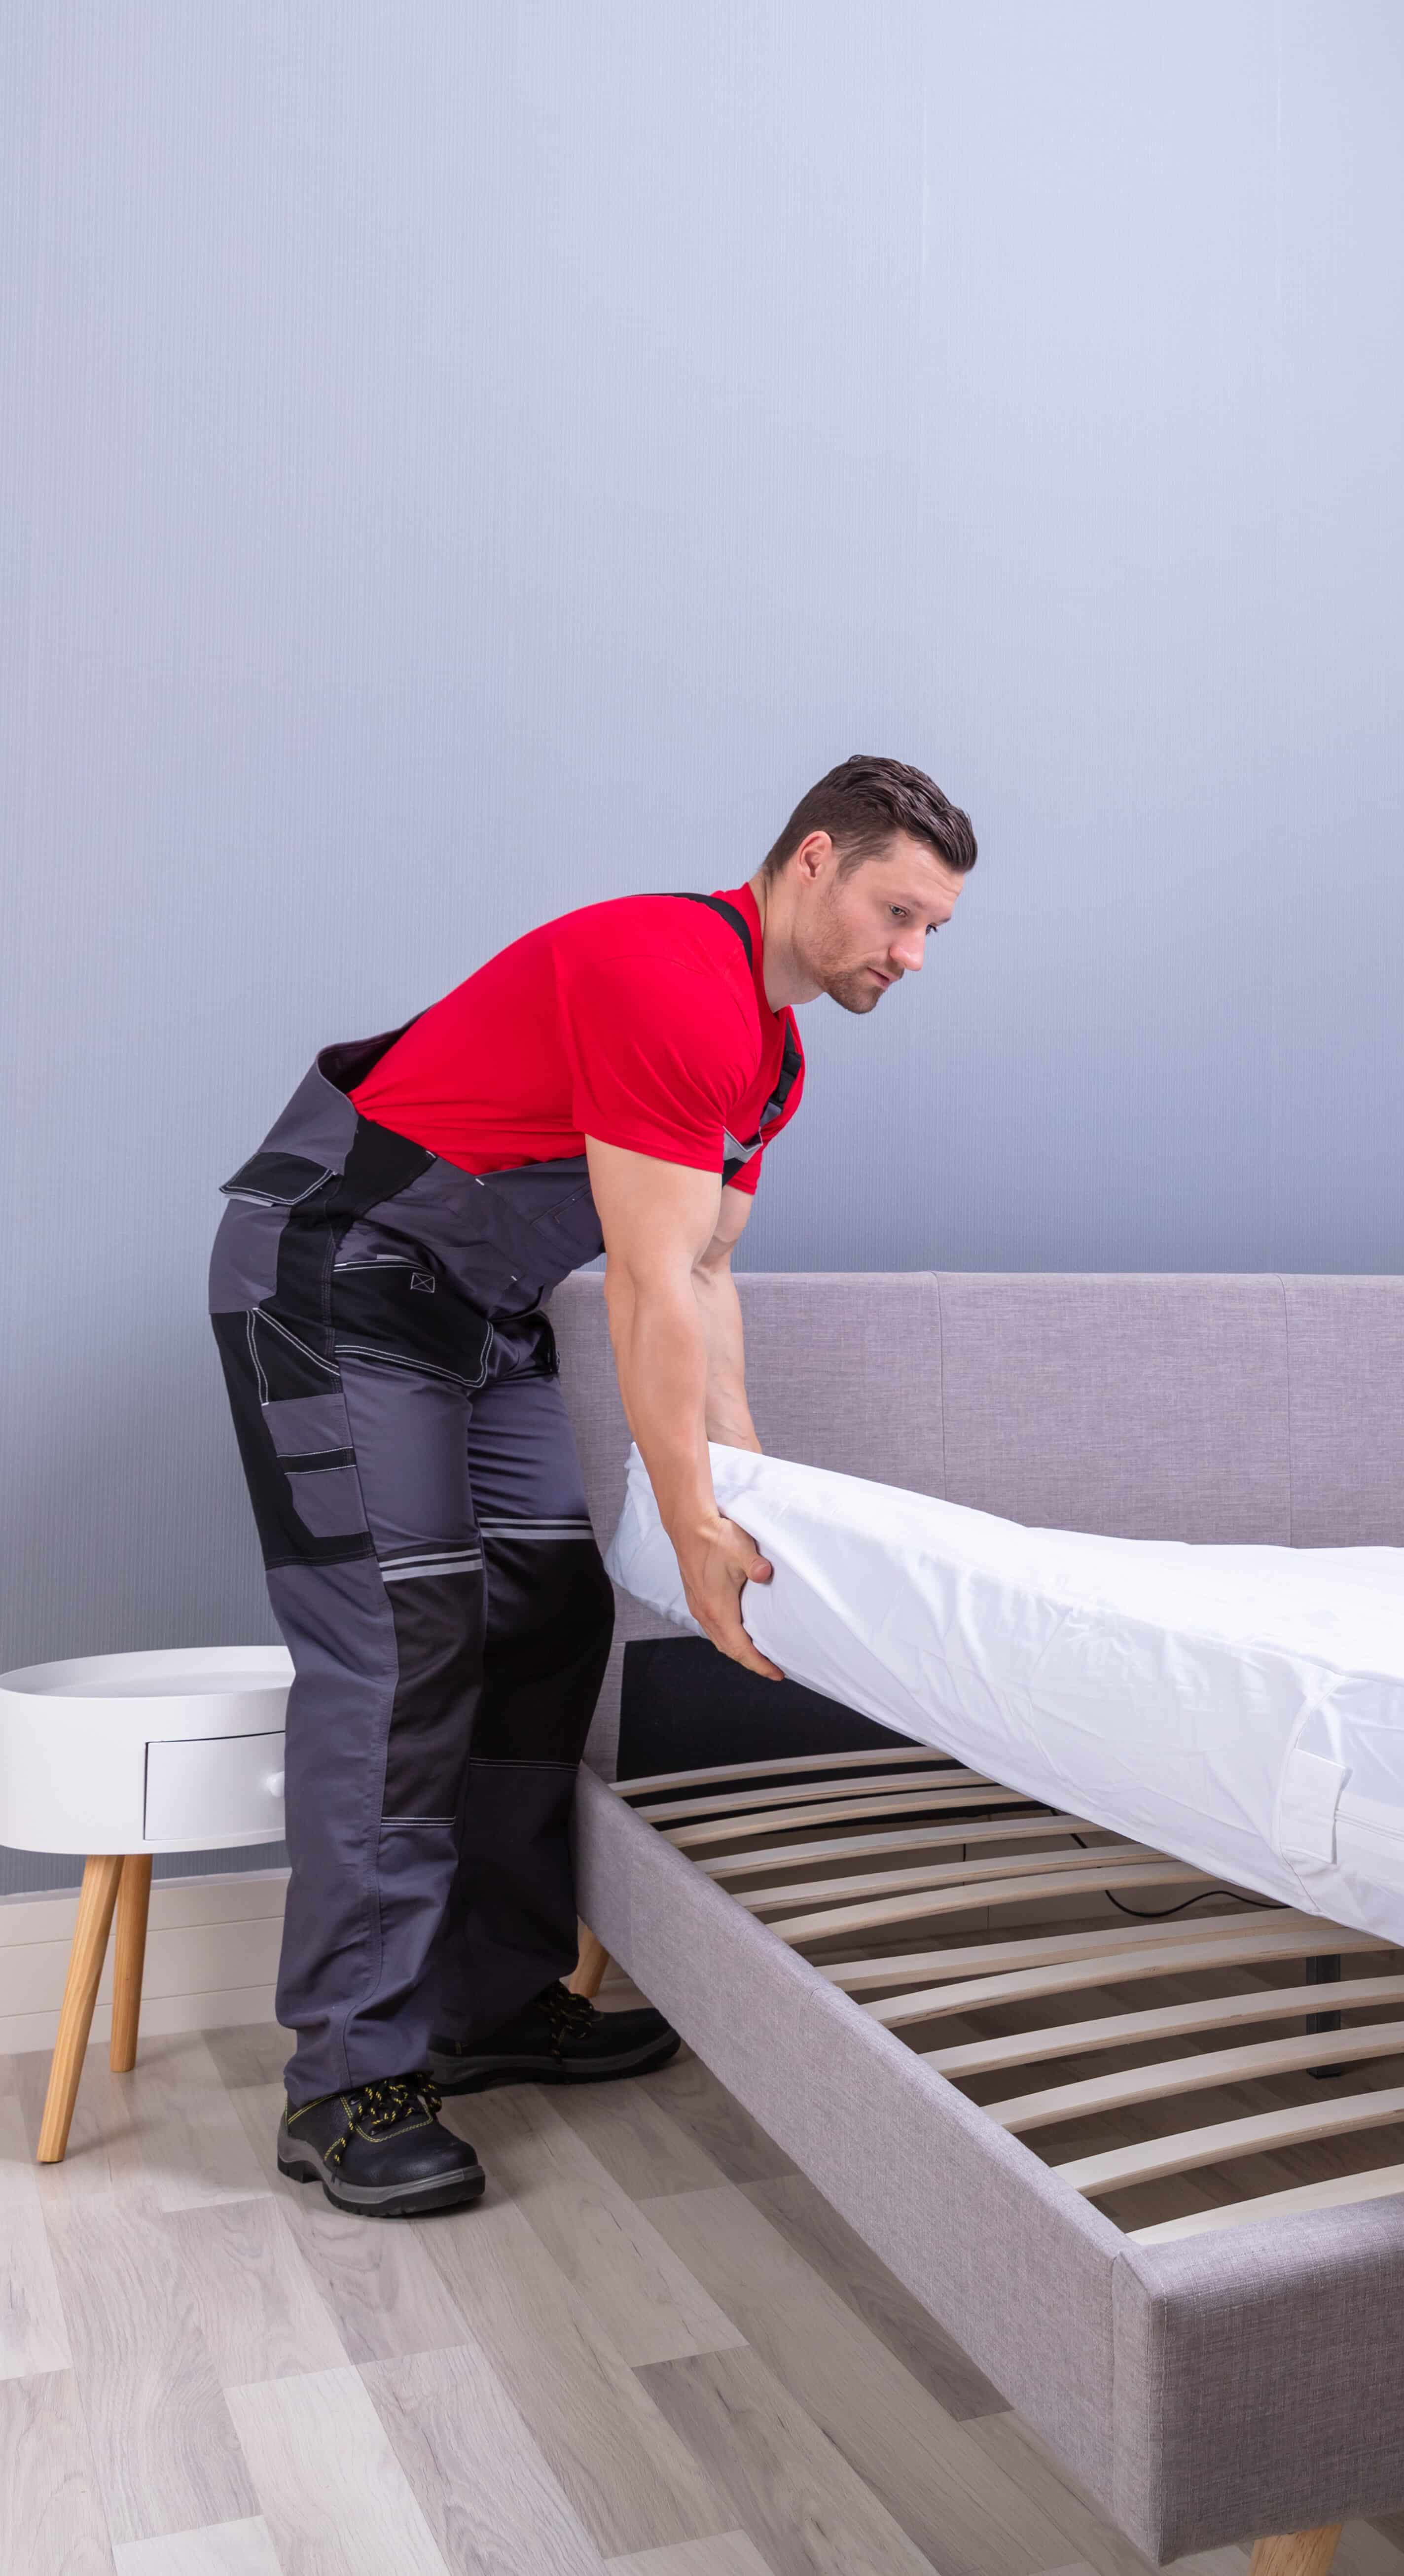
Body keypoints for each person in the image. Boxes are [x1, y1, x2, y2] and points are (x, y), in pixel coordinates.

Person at [209, 753, 976, 2216]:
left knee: (550, 1612)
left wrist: (746, 1497)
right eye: (897, 913)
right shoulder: (665, 971)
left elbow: (705, 1269)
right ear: (812, 860)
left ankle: (489, 2002)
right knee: (404, 1639)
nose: (912, 955)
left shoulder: (774, 1057)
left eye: (935, 929)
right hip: (337, 1280)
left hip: (471, 1311)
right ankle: (346, 2078)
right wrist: (683, 1519)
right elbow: (638, 1284)